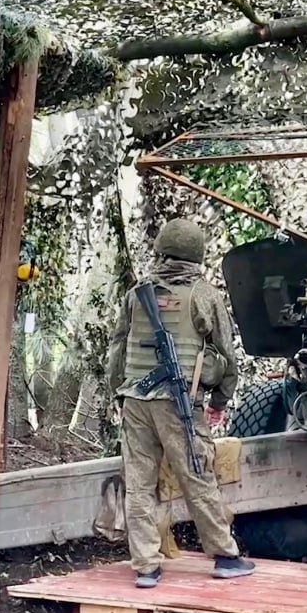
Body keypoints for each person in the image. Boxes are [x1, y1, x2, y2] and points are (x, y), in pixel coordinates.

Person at [106, 218, 255, 588]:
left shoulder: (135, 293)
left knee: (138, 483)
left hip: (136, 402)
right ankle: (224, 555)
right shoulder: (204, 296)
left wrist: (119, 394)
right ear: (196, 256)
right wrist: (220, 398)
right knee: (197, 475)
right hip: (177, 404)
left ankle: (145, 565)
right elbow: (227, 356)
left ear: (161, 251)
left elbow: (117, 349)